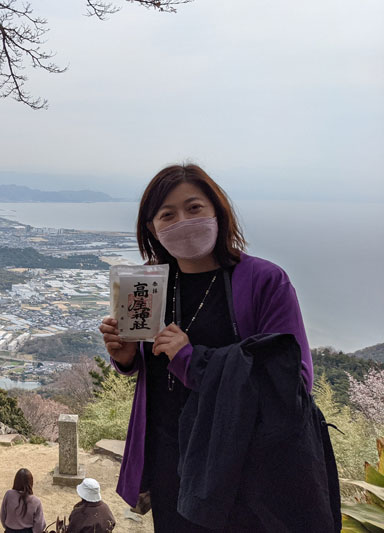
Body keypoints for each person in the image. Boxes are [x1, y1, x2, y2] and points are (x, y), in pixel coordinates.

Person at [98, 164, 340, 532]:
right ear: (153, 229)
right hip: (172, 462)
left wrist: (192, 361)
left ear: (217, 210)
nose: (183, 221)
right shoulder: (149, 285)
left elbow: (294, 383)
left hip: (247, 465)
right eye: (168, 214)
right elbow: (154, 368)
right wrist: (127, 359)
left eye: (194, 208)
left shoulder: (265, 281)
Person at [0, 468, 46, 533]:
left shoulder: (8, 495)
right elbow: (39, 525)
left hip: (10, 530)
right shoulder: (36, 501)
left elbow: (2, 516)